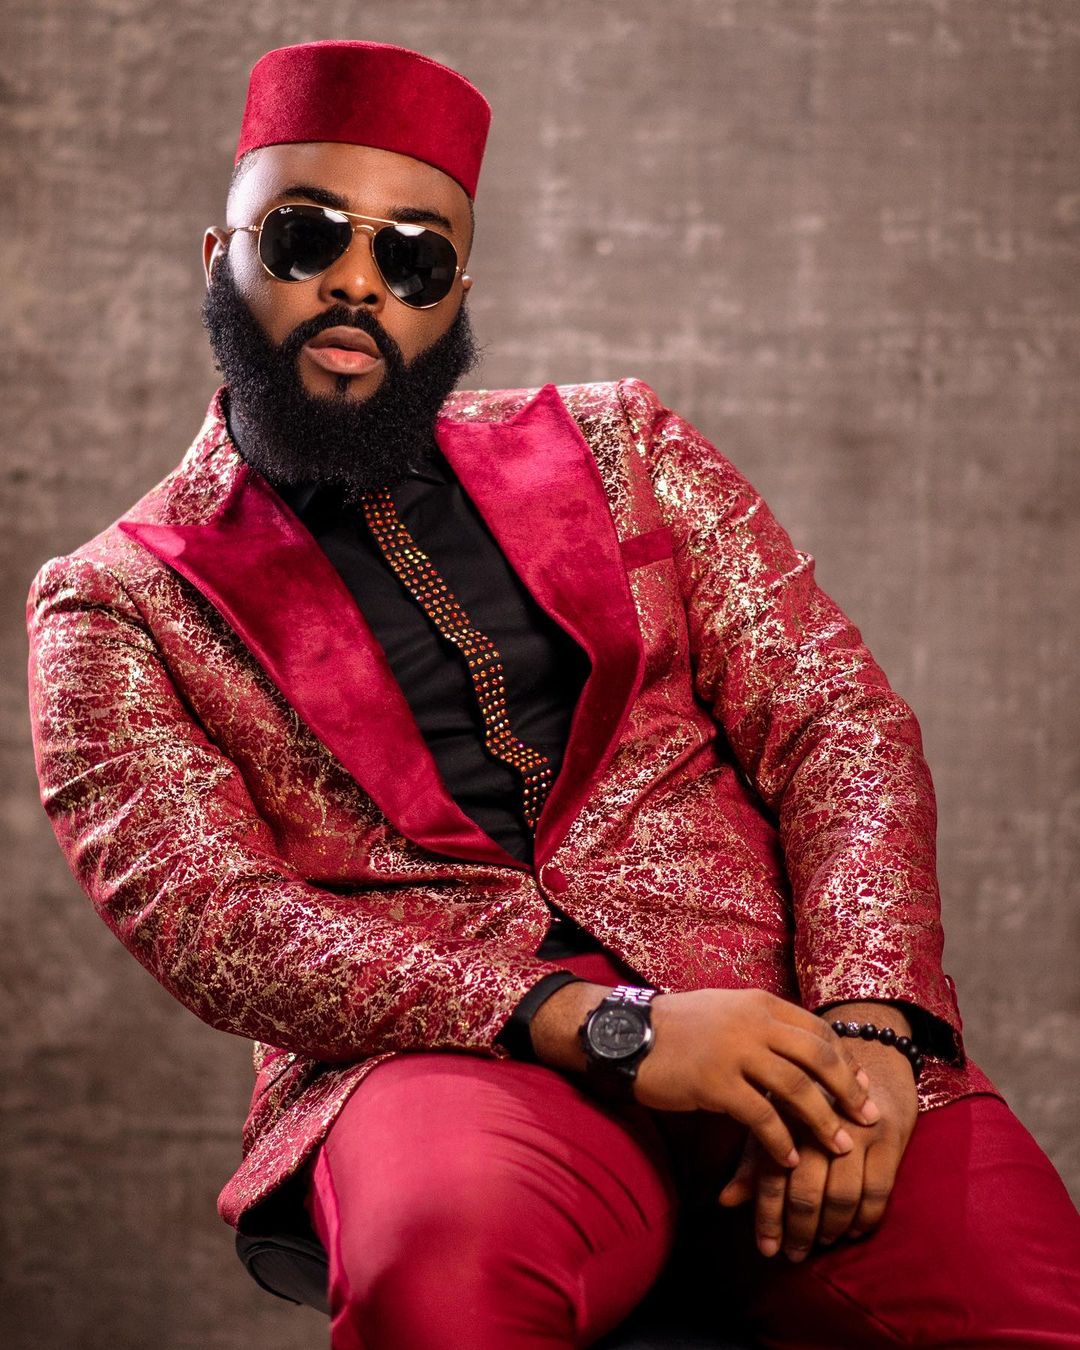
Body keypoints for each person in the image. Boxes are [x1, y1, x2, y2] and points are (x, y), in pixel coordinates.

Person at [26, 38, 1080, 1350]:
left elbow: (836, 724)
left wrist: (876, 1023)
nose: (358, 281)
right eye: (306, 237)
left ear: (454, 296)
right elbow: (215, 916)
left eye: (412, 257)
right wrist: (596, 1024)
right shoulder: (119, 602)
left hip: (785, 1017)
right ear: (218, 260)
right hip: (446, 1063)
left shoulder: (625, 448)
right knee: (440, 1284)